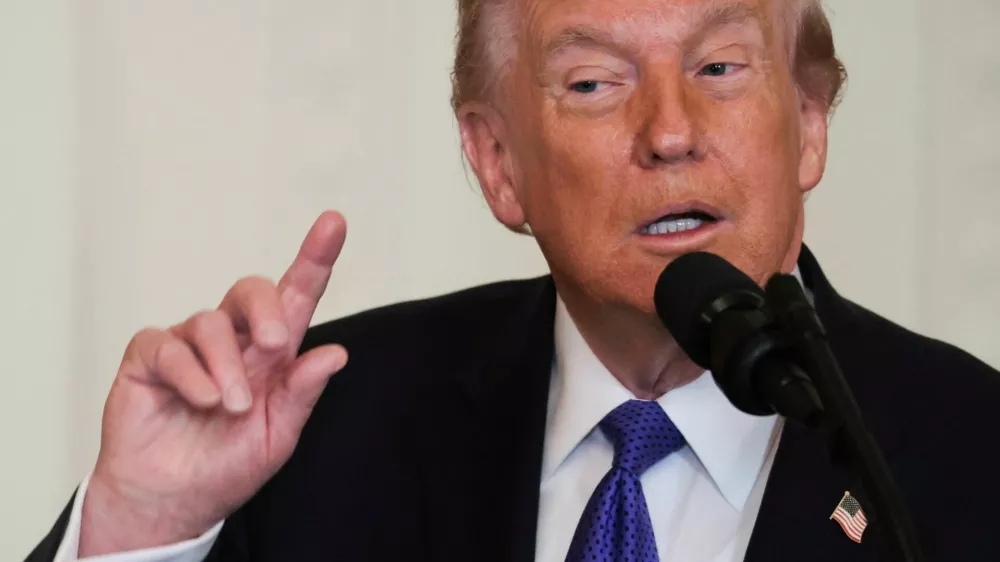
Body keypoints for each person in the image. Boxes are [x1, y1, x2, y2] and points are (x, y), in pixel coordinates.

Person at [26, 0, 1000, 560]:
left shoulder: (969, 451)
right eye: (592, 83)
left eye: (718, 67)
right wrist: (141, 527)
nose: (669, 130)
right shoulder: (326, 430)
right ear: (497, 162)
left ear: (809, 123)